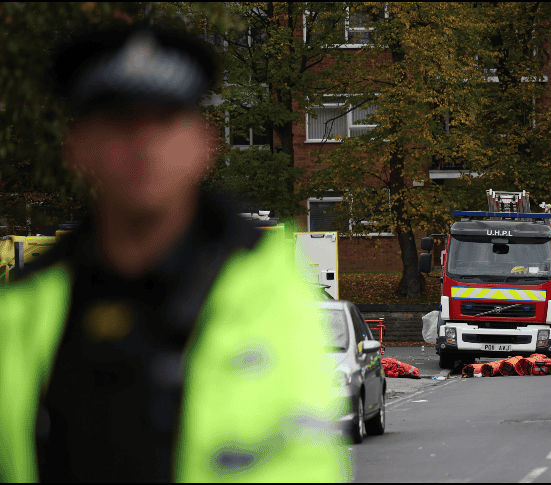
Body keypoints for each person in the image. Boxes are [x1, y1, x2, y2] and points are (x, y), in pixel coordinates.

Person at [0, 24, 351, 482]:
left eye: (164, 121)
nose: (143, 147)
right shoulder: (22, 313)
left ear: (203, 145)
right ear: (78, 147)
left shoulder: (273, 298)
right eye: (121, 123)